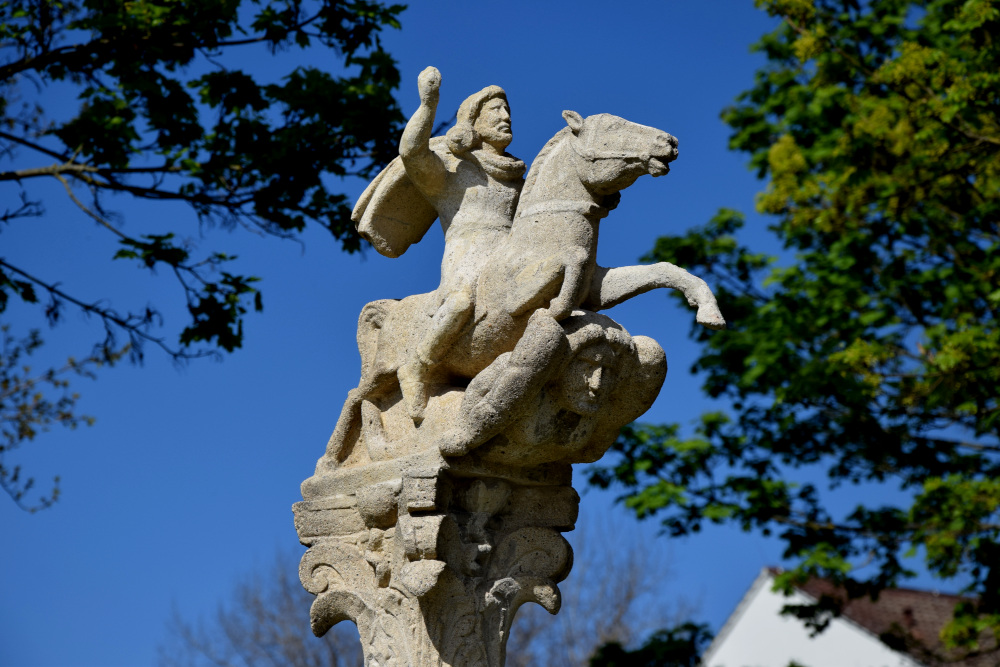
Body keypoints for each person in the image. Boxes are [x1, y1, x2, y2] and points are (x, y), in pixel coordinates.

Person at [395, 66, 526, 421]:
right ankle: (418, 365)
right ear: (473, 122)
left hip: (510, 254)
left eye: (508, 110)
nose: (505, 116)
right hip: (468, 251)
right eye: (495, 110)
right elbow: (412, 153)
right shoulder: (452, 175)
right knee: (462, 299)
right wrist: (428, 104)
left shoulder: (520, 177)